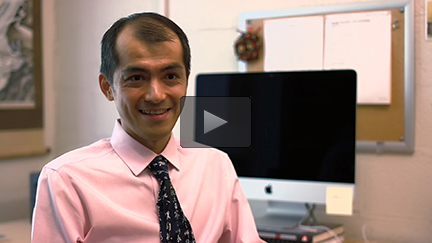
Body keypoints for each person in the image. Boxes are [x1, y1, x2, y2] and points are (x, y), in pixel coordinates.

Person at [31, 12, 265, 243]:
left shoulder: (216, 166)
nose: (156, 95)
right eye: (136, 78)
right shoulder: (66, 180)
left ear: (185, 81)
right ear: (107, 87)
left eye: (171, 76)